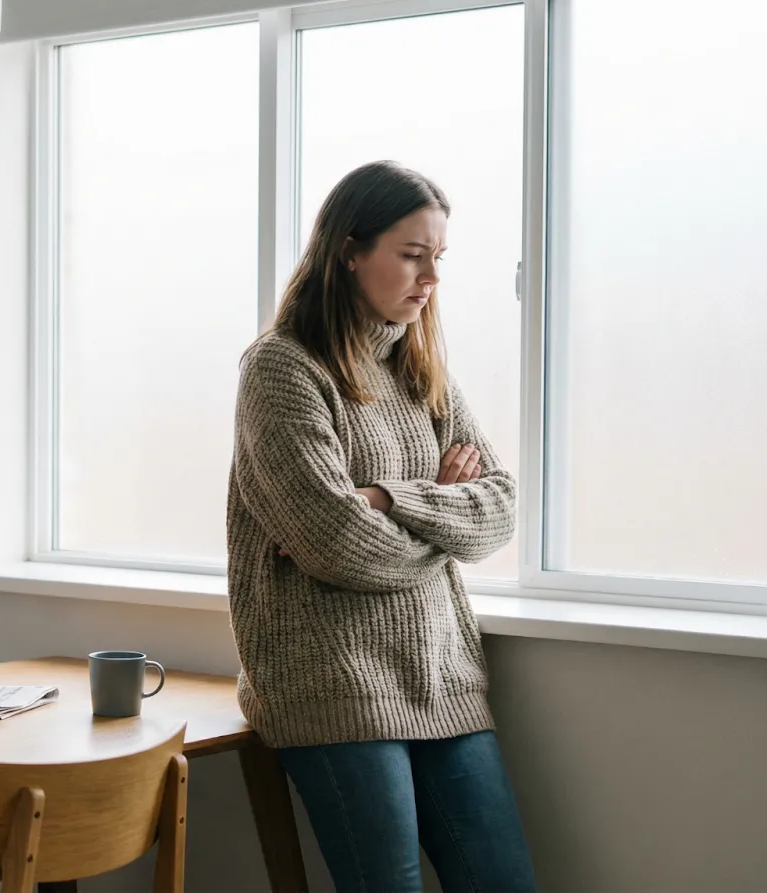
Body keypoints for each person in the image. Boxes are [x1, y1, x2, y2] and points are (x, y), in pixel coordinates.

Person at [227, 161, 536, 892]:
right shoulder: (281, 369)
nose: (431, 278)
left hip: (443, 679)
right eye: (412, 254)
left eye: (439, 257)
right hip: (330, 685)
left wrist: (390, 500)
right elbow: (339, 545)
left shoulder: (422, 368)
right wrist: (438, 512)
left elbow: (499, 510)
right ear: (349, 251)